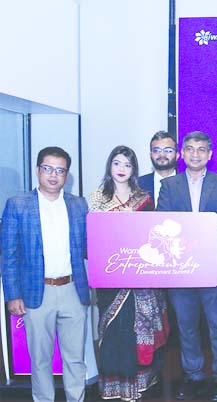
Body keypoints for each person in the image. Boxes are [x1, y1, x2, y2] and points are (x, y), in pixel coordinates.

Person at [2, 146, 90, 402]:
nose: (54, 175)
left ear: (66, 175)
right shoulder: (18, 205)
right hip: (36, 292)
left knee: (75, 358)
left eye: (60, 170)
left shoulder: (78, 204)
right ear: (37, 170)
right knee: (40, 359)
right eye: (48, 168)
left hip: (73, 290)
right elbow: (9, 254)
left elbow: (89, 246)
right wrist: (12, 295)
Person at [156, 131, 217, 401]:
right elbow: (163, 220)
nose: (195, 154)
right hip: (180, 268)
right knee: (186, 327)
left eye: (201, 149)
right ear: (182, 154)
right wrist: (190, 236)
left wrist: (199, 233)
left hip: (215, 267)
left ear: (209, 154)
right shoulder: (169, 186)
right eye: (190, 149)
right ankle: (194, 376)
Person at [88, 145, 170, 401]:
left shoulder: (144, 199)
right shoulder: (96, 199)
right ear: (109, 166)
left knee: (137, 331)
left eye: (127, 164)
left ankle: (139, 385)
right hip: (110, 278)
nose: (121, 169)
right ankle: (115, 387)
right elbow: (91, 239)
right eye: (117, 163)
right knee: (114, 330)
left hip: (140, 278)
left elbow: (151, 237)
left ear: (134, 169)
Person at [139, 130, 178, 207]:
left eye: (168, 151)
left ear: (177, 155)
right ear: (150, 155)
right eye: (156, 150)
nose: (162, 155)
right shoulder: (138, 185)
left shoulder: (187, 184)